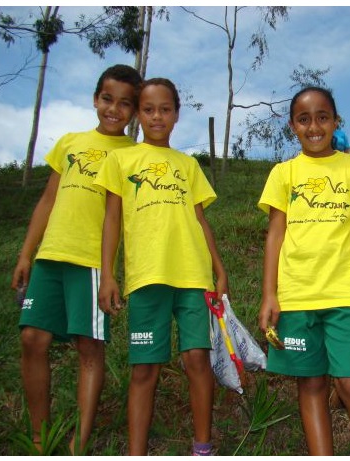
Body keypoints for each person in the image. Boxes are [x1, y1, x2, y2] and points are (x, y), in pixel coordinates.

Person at [10, 64, 141, 454]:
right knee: (32, 338)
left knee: (89, 348)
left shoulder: (134, 155)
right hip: (51, 255)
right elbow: (48, 200)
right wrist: (25, 254)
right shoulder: (69, 142)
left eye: (124, 104)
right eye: (107, 99)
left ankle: (78, 444)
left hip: (91, 262)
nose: (113, 110)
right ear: (95, 98)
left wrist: (116, 273)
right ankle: (40, 435)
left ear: (134, 111)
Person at [95, 78, 228, 456]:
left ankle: (202, 446)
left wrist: (218, 268)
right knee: (144, 369)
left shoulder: (187, 165)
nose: (157, 116)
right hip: (146, 277)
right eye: (149, 109)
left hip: (192, 274)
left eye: (165, 109)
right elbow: (111, 220)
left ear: (176, 115)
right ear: (138, 114)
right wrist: (108, 273)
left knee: (197, 359)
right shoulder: (120, 160)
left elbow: (200, 220)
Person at [258, 86, 350, 456]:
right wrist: (270, 294)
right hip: (296, 296)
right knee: (310, 384)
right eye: (304, 119)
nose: (313, 126)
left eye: (322, 117)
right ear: (292, 126)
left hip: (344, 295)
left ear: (335, 122)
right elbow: (275, 235)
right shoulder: (283, 173)